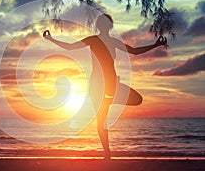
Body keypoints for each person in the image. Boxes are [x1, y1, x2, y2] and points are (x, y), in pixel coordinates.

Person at [43, 13, 167, 159]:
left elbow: (134, 51)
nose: (104, 25)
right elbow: (71, 47)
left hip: (111, 83)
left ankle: (109, 100)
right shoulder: (92, 40)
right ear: (99, 26)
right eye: (102, 23)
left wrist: (156, 45)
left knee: (136, 99)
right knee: (101, 121)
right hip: (97, 84)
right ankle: (107, 154)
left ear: (109, 26)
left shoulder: (113, 42)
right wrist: (51, 39)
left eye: (106, 23)